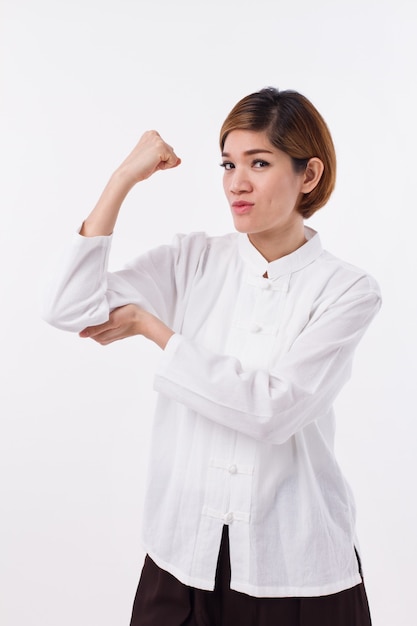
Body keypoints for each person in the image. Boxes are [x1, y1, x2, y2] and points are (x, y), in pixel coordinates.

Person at [42, 87, 381, 625]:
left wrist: (154, 330)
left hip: (294, 573)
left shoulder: (347, 291)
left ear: (309, 175)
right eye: (228, 164)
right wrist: (122, 179)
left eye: (259, 162)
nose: (236, 183)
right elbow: (70, 308)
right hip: (181, 559)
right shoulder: (193, 259)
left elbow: (270, 411)